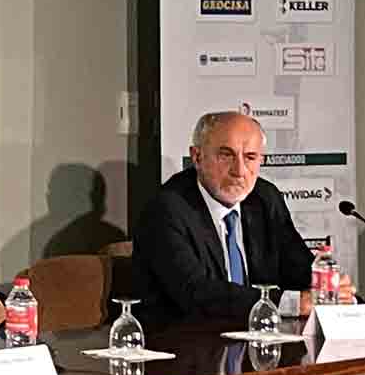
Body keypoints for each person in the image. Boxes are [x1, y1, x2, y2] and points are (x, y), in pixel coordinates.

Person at [131, 111, 315, 328]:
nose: (239, 171)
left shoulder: (264, 198)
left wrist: (329, 289)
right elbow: (196, 292)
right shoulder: (166, 209)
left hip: (256, 341)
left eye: (250, 157)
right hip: (185, 345)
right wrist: (289, 304)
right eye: (226, 155)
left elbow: (298, 266)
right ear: (197, 157)